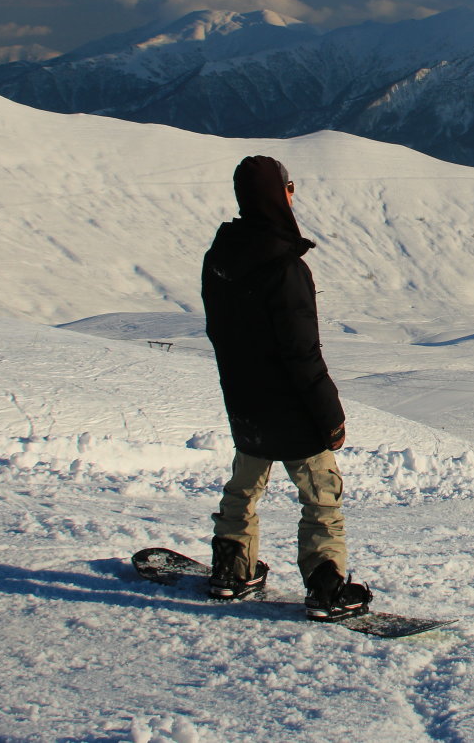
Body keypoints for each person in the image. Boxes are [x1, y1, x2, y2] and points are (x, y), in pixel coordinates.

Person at [201, 154, 370, 618]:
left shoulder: (220, 256)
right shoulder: (285, 267)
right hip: (292, 408)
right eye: (289, 186)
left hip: (245, 401)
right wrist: (330, 415)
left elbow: (221, 332)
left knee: (242, 489)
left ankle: (231, 569)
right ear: (280, 195)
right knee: (321, 499)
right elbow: (302, 354)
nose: (294, 193)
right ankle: (325, 585)